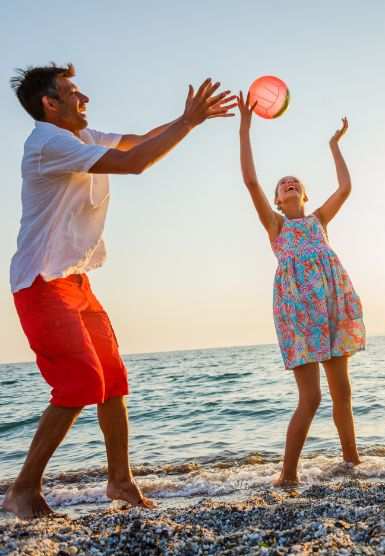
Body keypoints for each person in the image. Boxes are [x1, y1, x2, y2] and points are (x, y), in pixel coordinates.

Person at [2, 63, 235, 519]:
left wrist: (191, 116)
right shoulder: (47, 144)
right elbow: (135, 163)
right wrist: (187, 123)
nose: (84, 97)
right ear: (49, 104)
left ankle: (120, 482)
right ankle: (22, 490)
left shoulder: (81, 138)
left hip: (75, 280)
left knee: (112, 379)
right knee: (80, 381)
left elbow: (138, 141)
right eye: (72, 91)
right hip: (40, 283)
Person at [236, 92, 365, 486]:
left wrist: (334, 146)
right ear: (277, 199)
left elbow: (345, 186)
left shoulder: (319, 220)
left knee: (342, 392)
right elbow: (250, 180)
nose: (289, 185)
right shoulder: (276, 226)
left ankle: (352, 463)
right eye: (283, 185)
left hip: (332, 306)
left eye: (296, 183)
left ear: (304, 195)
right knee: (311, 398)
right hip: (298, 314)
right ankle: (287, 474)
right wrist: (246, 127)